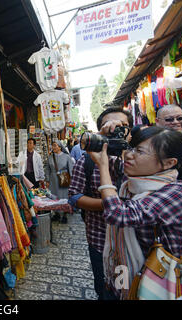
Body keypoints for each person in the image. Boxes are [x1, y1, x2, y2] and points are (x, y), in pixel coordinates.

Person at [88, 126, 182, 299]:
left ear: (169, 163)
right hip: (122, 277)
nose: (129, 155)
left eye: (140, 151)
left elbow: (119, 214)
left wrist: (103, 167)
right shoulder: (134, 178)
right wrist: (99, 137)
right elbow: (95, 148)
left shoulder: (179, 192)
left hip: (155, 285)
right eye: (131, 148)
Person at [68, 106, 133, 300]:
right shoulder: (88, 161)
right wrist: (112, 205)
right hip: (100, 240)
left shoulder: (142, 157)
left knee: (127, 289)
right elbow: (74, 197)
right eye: (109, 126)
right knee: (105, 289)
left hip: (133, 243)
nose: (116, 130)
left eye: (122, 126)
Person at [45, 139, 74, 224]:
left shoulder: (66, 157)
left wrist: (71, 181)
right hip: (53, 179)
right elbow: (47, 169)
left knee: (64, 196)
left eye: (55, 145)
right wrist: (47, 179)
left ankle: (64, 215)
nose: (53, 147)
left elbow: (71, 169)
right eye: (52, 145)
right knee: (54, 196)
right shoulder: (50, 157)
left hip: (64, 177)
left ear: (60, 147)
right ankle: (56, 213)